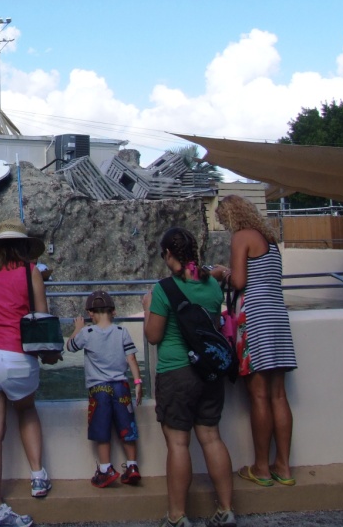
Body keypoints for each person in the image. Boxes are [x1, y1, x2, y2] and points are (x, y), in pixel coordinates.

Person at [143, 226, 235, 527]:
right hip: (208, 372)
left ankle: (177, 516)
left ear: (169, 254)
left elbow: (153, 336)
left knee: (178, 445)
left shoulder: (163, 289)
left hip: (176, 372)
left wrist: (147, 309)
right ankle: (225, 510)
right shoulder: (211, 286)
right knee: (211, 437)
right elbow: (208, 276)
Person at [0, 218, 55, 527]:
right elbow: (41, 317)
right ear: (22, 246)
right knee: (26, 409)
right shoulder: (30, 272)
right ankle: (38, 476)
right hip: (15, 356)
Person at [212, 194, 297, 487]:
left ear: (232, 216)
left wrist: (222, 273)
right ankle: (283, 467)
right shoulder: (270, 241)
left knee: (259, 395)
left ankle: (261, 467)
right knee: (278, 395)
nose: (223, 225)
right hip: (277, 316)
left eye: (223, 219)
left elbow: (239, 282)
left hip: (255, 318)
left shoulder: (242, 237)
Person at [66, 289, 143, 488]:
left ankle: (105, 469)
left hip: (98, 389)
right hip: (121, 386)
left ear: (90, 313)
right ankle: (132, 466)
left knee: (102, 429)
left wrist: (77, 328)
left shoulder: (87, 333)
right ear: (113, 312)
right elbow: (131, 358)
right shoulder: (121, 332)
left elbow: (70, 347)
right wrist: (137, 382)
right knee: (126, 427)